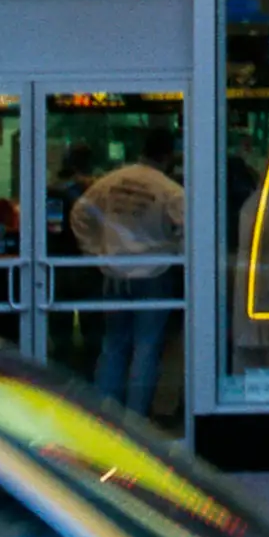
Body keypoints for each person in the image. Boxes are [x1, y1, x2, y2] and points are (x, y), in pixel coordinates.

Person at [67, 153, 188, 420]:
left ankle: (104, 417)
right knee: (146, 346)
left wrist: (95, 251)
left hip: (114, 272)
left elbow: (79, 212)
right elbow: (191, 227)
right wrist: (176, 253)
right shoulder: (168, 189)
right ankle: (136, 420)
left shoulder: (110, 182)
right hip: (154, 272)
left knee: (113, 345)